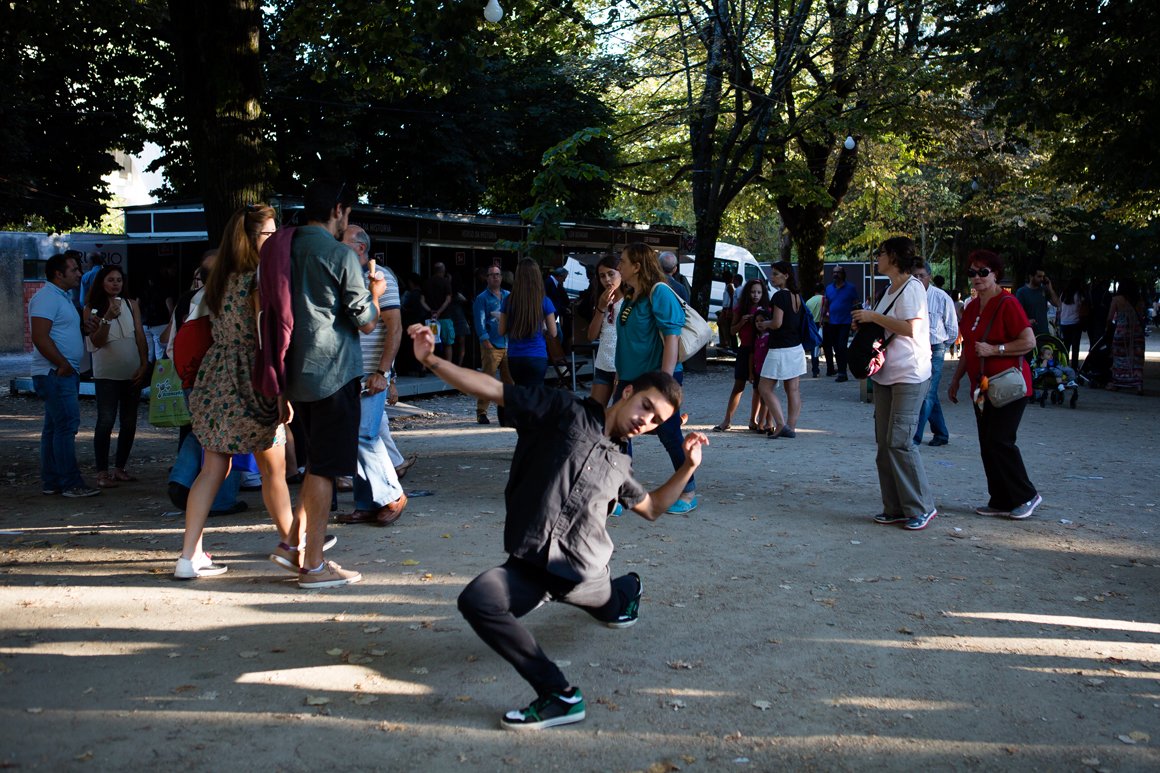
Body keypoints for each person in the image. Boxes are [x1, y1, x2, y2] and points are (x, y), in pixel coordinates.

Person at [406, 322, 707, 731]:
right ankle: (559, 694)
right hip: (532, 565)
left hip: (585, 575)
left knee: (612, 606)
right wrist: (431, 360)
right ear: (627, 392)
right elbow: (494, 389)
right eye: (646, 407)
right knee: (479, 601)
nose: (646, 421)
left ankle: (628, 588)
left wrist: (687, 467)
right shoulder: (563, 410)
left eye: (657, 421)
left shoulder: (621, 464)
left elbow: (652, 508)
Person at [282, 181, 386, 588]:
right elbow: (366, 321)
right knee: (326, 469)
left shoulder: (284, 248)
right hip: (334, 371)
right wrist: (375, 294)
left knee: (315, 464)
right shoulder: (339, 254)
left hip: (294, 372)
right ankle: (313, 564)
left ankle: (292, 544)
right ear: (338, 210)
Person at [947, 249, 1041, 520]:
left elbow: (1029, 341)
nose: (977, 277)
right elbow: (969, 349)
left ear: (995, 274)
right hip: (982, 387)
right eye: (972, 272)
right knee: (987, 443)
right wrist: (956, 379)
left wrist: (996, 349)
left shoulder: (1008, 303)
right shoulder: (971, 308)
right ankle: (1000, 499)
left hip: (1009, 385)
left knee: (1000, 440)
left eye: (983, 272)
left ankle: (1026, 495)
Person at [852, 237, 937, 531]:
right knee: (885, 445)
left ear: (894, 257)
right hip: (886, 374)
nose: (877, 257)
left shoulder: (912, 288)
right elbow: (886, 328)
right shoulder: (888, 290)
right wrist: (866, 322)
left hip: (909, 374)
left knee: (900, 443)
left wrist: (873, 316)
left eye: (881, 253)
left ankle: (921, 507)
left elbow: (910, 328)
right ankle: (895, 508)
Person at [334, 224, 409, 527]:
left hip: (370, 372)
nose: (336, 248)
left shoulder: (381, 277)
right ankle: (366, 504)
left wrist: (383, 372)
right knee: (358, 437)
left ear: (360, 248)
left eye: (342, 243)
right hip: (348, 371)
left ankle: (393, 494)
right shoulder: (345, 278)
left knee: (364, 435)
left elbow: (395, 328)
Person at [615, 243, 697, 513]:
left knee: (669, 434)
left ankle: (688, 492)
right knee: (617, 433)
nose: (619, 265)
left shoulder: (659, 292)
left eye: (623, 261)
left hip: (656, 381)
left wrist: (664, 384)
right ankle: (620, 493)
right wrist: (619, 376)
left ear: (637, 266)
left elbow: (671, 339)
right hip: (629, 379)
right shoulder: (630, 294)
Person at [29, 253, 99, 498]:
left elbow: (58, 331)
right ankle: (70, 483)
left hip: (61, 371)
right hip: (55, 372)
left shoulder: (61, 297)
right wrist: (63, 364)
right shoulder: (46, 298)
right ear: (59, 274)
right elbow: (40, 336)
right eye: (74, 270)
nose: (79, 274)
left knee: (54, 427)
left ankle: (53, 481)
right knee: (66, 426)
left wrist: (83, 328)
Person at [83, 266, 149, 488]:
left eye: (119, 280)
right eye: (110, 280)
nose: (115, 284)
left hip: (131, 372)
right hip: (107, 374)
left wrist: (144, 363)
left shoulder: (131, 304)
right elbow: (97, 341)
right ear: (101, 282)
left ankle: (120, 467)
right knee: (106, 420)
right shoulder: (91, 308)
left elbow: (139, 334)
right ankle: (102, 472)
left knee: (129, 422)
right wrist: (107, 318)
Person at [754, 261, 806, 439]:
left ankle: (780, 424)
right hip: (796, 347)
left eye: (776, 274)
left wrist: (764, 324)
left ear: (786, 275)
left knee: (764, 387)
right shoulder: (796, 295)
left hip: (780, 348)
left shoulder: (779, 296)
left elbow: (777, 323)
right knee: (793, 389)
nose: (772, 277)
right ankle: (791, 427)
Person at [713, 279, 772, 433]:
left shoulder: (767, 309)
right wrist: (742, 322)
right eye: (752, 292)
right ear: (747, 293)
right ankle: (727, 420)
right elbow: (732, 331)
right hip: (745, 349)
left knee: (760, 388)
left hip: (762, 350)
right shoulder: (740, 309)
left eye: (759, 292)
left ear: (763, 293)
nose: (755, 295)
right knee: (738, 386)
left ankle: (757, 421)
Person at [911, 263, 958, 447]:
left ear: (929, 276)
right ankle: (941, 433)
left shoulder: (941, 297)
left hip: (935, 348)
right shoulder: (909, 296)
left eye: (921, 275)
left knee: (927, 393)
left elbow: (952, 329)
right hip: (915, 348)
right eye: (914, 276)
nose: (918, 279)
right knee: (930, 393)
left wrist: (942, 347)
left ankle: (914, 437)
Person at [500, 258, 557, 388]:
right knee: (536, 394)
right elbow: (553, 333)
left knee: (520, 392)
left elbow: (501, 331)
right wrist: (542, 329)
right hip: (537, 355)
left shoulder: (508, 300)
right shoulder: (544, 301)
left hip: (515, 356)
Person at [473, 264, 512, 423]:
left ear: (501, 277)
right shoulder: (482, 298)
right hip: (492, 344)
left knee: (509, 381)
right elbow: (479, 320)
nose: (495, 277)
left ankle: (509, 411)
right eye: (492, 274)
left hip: (508, 343)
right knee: (488, 379)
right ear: (487, 278)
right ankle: (481, 412)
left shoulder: (508, 295)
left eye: (498, 274)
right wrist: (485, 340)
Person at [585, 255, 625, 408]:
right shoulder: (602, 299)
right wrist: (601, 307)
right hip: (603, 364)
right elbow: (591, 336)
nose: (607, 279)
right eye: (602, 276)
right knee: (594, 413)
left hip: (622, 366)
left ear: (621, 272)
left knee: (617, 414)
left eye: (611, 274)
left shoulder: (630, 300)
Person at [1105, 279, 1145, 394]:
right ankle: (1138, 385)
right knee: (1136, 359)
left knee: (1119, 358)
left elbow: (1110, 318)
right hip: (1137, 333)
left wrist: (1107, 328)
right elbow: (1141, 316)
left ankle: (1118, 382)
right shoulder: (1139, 300)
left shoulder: (1116, 299)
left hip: (1121, 333)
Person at [821, 265, 858, 381]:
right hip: (832, 322)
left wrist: (856, 319)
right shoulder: (829, 288)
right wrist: (822, 317)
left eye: (838, 272)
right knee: (836, 347)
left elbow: (856, 303)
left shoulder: (851, 288)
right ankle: (841, 370)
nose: (835, 274)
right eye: (834, 272)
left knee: (842, 346)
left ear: (843, 274)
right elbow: (826, 304)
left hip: (845, 322)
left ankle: (842, 372)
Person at [1015, 266, 1060, 337]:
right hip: (1029, 333)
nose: (1042, 279)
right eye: (1039, 276)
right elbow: (1017, 313)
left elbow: (1057, 303)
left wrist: (1050, 288)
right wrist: (1027, 321)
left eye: (1043, 277)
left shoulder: (1044, 290)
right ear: (1031, 276)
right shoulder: (1022, 292)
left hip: (1044, 332)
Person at [1058, 277, 1086, 367]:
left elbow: (1060, 307)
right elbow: (1082, 308)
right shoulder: (1079, 295)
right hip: (1075, 323)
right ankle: (1074, 366)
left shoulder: (1063, 294)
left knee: (1066, 345)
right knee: (1075, 346)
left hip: (1064, 323)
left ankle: (1064, 364)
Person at [544, 266, 572, 351]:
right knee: (558, 336)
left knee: (558, 336)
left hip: (553, 314)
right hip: (550, 314)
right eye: (564, 278)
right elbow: (552, 300)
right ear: (560, 276)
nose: (564, 280)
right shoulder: (549, 283)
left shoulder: (553, 283)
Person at [718, 273, 742, 352]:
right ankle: (726, 342)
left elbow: (733, 299)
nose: (733, 282)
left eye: (734, 280)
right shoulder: (731, 287)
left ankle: (727, 342)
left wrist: (729, 309)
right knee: (723, 324)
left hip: (728, 309)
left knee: (725, 325)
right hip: (727, 309)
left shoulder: (731, 287)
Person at [804, 289, 823, 377]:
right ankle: (830, 368)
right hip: (822, 325)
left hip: (812, 325)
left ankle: (815, 370)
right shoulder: (823, 298)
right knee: (827, 347)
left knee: (814, 349)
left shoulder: (808, 301)